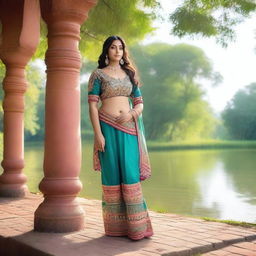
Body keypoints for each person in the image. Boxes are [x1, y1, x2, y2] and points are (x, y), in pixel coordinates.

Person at [87, 35, 153, 240]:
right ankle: (116, 229)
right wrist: (98, 135)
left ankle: (137, 228)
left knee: (130, 174)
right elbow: (92, 105)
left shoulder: (130, 74)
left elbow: (140, 102)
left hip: (129, 129)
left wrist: (131, 114)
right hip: (106, 128)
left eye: (121, 48)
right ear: (106, 51)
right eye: (113, 47)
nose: (117, 51)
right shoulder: (98, 75)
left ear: (124, 51)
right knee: (112, 175)